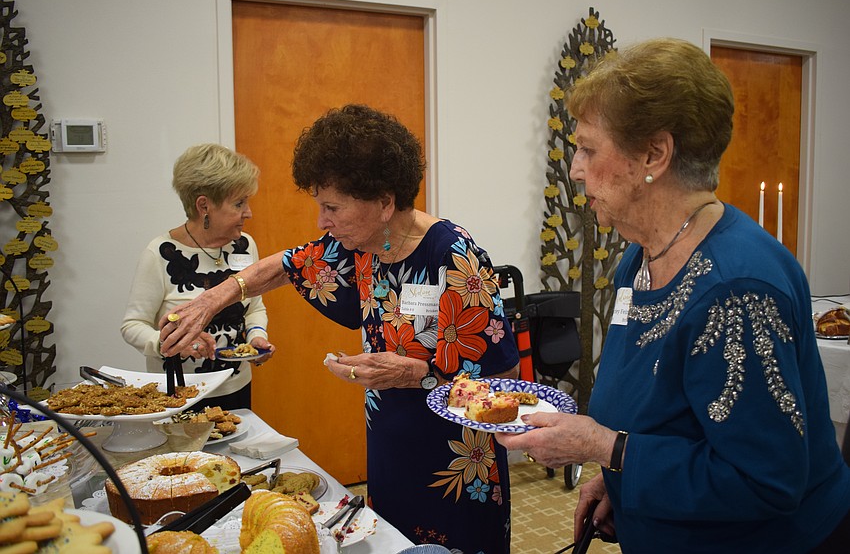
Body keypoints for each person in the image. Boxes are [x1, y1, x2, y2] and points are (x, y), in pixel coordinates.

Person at [496, 38, 850, 553]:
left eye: (589, 149)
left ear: (654, 155)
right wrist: (617, 483)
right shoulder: (639, 260)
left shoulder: (736, 291)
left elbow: (766, 483)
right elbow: (668, 424)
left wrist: (607, 450)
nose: (574, 169)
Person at [158, 104, 520, 553]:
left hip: (458, 463)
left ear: (385, 202)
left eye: (331, 208)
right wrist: (212, 299)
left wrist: (412, 374)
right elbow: (287, 266)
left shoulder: (454, 257)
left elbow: (503, 384)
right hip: (390, 450)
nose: (321, 221)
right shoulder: (364, 243)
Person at [121, 143, 276, 411]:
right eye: (239, 203)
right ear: (204, 205)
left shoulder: (245, 245)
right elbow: (132, 325)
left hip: (235, 387)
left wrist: (256, 338)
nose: (248, 212)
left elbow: (254, 308)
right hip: (178, 395)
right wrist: (169, 343)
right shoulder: (159, 253)